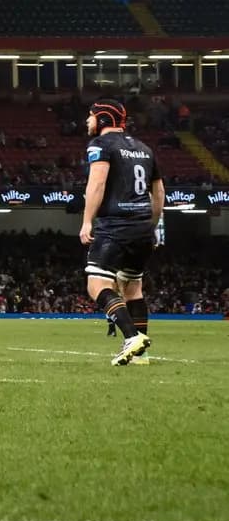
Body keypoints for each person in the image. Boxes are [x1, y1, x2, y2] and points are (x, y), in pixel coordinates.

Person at [79, 99, 161, 366]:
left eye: (90, 116)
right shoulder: (144, 148)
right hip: (142, 228)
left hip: (115, 226)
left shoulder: (100, 145)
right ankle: (142, 354)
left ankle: (131, 338)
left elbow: (98, 183)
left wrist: (87, 221)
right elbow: (158, 192)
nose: (87, 121)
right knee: (133, 287)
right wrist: (152, 224)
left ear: (103, 119)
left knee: (97, 284)